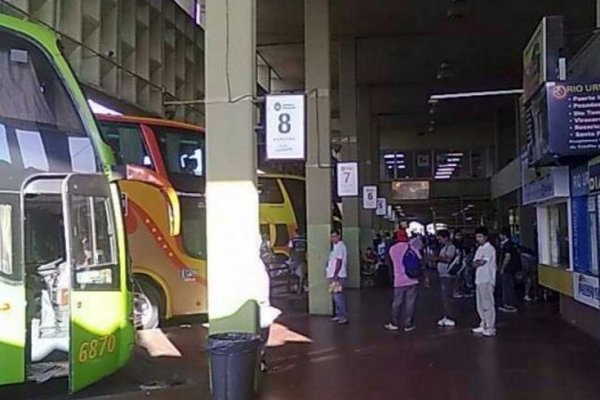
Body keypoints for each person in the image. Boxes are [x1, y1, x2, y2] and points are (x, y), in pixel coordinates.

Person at [384, 229, 419, 332]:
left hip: (399, 280)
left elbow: (390, 263)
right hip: (412, 279)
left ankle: (394, 323)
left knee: (397, 302)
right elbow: (419, 259)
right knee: (410, 303)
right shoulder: (412, 247)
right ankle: (408, 325)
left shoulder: (392, 249)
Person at [472, 227, 497, 337]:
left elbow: (481, 262)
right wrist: (477, 262)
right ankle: (483, 323)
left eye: (480, 236)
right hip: (479, 279)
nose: (478, 239)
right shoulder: (479, 249)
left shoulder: (490, 249)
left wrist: (477, 262)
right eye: (477, 237)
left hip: (487, 279)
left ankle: (491, 327)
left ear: (486, 237)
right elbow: (474, 263)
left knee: (488, 304)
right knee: (480, 304)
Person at [429, 230, 457, 327]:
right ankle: (446, 315)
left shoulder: (451, 247)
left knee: (447, 296)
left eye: (440, 238)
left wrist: (436, 258)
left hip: (448, 275)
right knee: (444, 297)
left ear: (445, 238)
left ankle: (450, 317)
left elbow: (448, 259)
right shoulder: (444, 248)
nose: (439, 240)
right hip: (443, 275)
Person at [327, 229, 349, 325]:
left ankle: (343, 316)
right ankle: (338, 314)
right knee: (335, 296)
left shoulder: (340, 247)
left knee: (338, 296)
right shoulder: (335, 247)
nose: (333, 238)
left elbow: (339, 261)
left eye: (335, 236)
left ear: (339, 236)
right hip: (333, 274)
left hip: (338, 275)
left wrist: (335, 274)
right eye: (332, 236)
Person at [498, 228, 520, 313]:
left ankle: (510, 304)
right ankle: (508, 303)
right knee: (508, 286)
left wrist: (502, 267)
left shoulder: (507, 245)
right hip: (511, 269)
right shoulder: (509, 244)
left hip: (508, 269)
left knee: (507, 286)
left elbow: (507, 257)